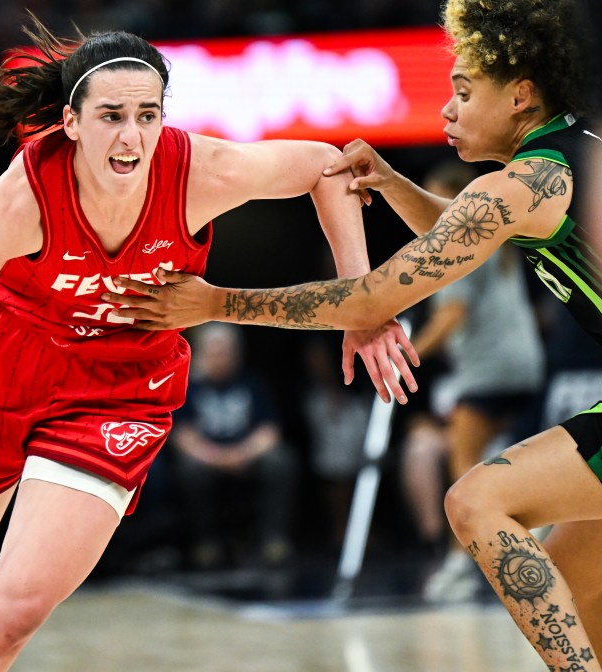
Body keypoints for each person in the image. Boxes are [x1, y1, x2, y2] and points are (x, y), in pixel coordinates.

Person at [0, 16, 415, 671]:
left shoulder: (200, 171)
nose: (132, 135)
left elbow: (330, 167)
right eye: (111, 115)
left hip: (120, 385)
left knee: (14, 620)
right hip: (1, 363)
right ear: (72, 123)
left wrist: (359, 303)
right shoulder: (19, 201)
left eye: (148, 115)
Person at [105, 0, 602, 667]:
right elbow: (467, 227)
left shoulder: (520, 187)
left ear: (521, 95)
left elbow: (373, 296)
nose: (447, 110)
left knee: (479, 500)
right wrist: (394, 185)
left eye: (462, 91)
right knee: (570, 592)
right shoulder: (566, 159)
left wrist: (215, 301)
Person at [399, 160, 547, 603]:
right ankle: (525, 545)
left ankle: (462, 563)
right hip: (527, 365)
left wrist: (405, 354)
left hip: (488, 370)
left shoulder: (460, 243)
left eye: (433, 198)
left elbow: (451, 315)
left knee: (462, 469)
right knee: (513, 462)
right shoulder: (499, 237)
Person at [171, 323, 297, 569]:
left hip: (247, 454)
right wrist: (216, 457)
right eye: (215, 351)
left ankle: (273, 540)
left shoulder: (252, 382)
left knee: (281, 461)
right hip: (207, 457)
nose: (221, 357)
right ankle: (206, 543)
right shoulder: (187, 385)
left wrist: (242, 453)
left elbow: (269, 430)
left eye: (226, 351)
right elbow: (181, 435)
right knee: (190, 471)